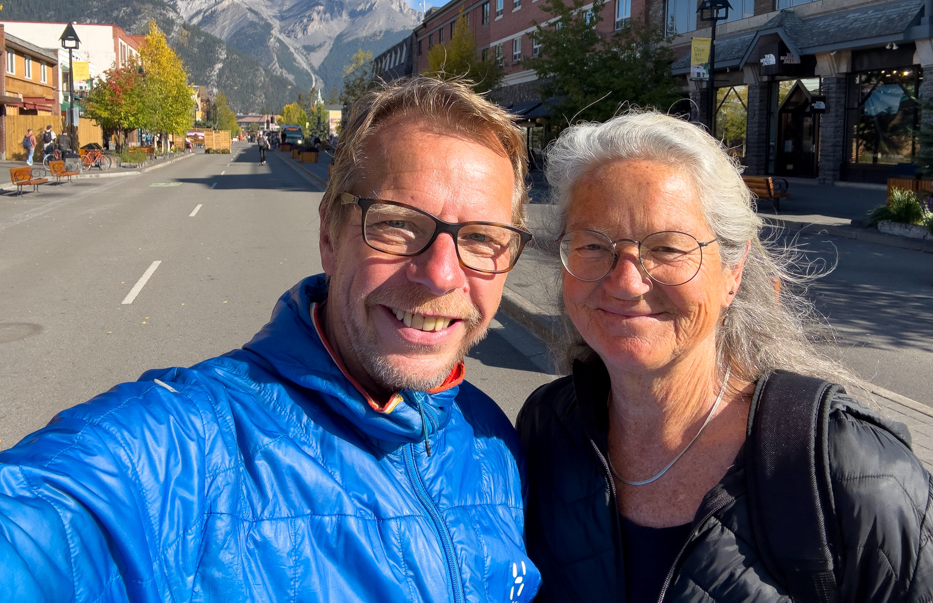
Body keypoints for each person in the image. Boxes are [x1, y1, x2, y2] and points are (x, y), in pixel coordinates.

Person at [0, 78, 541, 602]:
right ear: (330, 235)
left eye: (482, 238)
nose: (442, 274)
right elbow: (45, 520)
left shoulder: (493, 439)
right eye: (398, 223)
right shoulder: (193, 445)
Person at [516, 111, 933, 603]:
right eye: (593, 244)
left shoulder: (855, 473)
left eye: (668, 248)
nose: (627, 281)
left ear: (733, 273)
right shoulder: (549, 428)